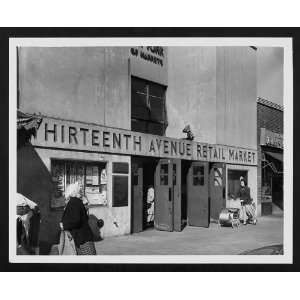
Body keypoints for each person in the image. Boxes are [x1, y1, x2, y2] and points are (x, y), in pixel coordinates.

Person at [61, 182, 96, 255]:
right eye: (79, 190)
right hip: (82, 238)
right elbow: (80, 219)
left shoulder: (73, 202)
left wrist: (63, 225)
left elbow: (76, 220)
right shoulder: (76, 202)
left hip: (82, 239)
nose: (80, 192)